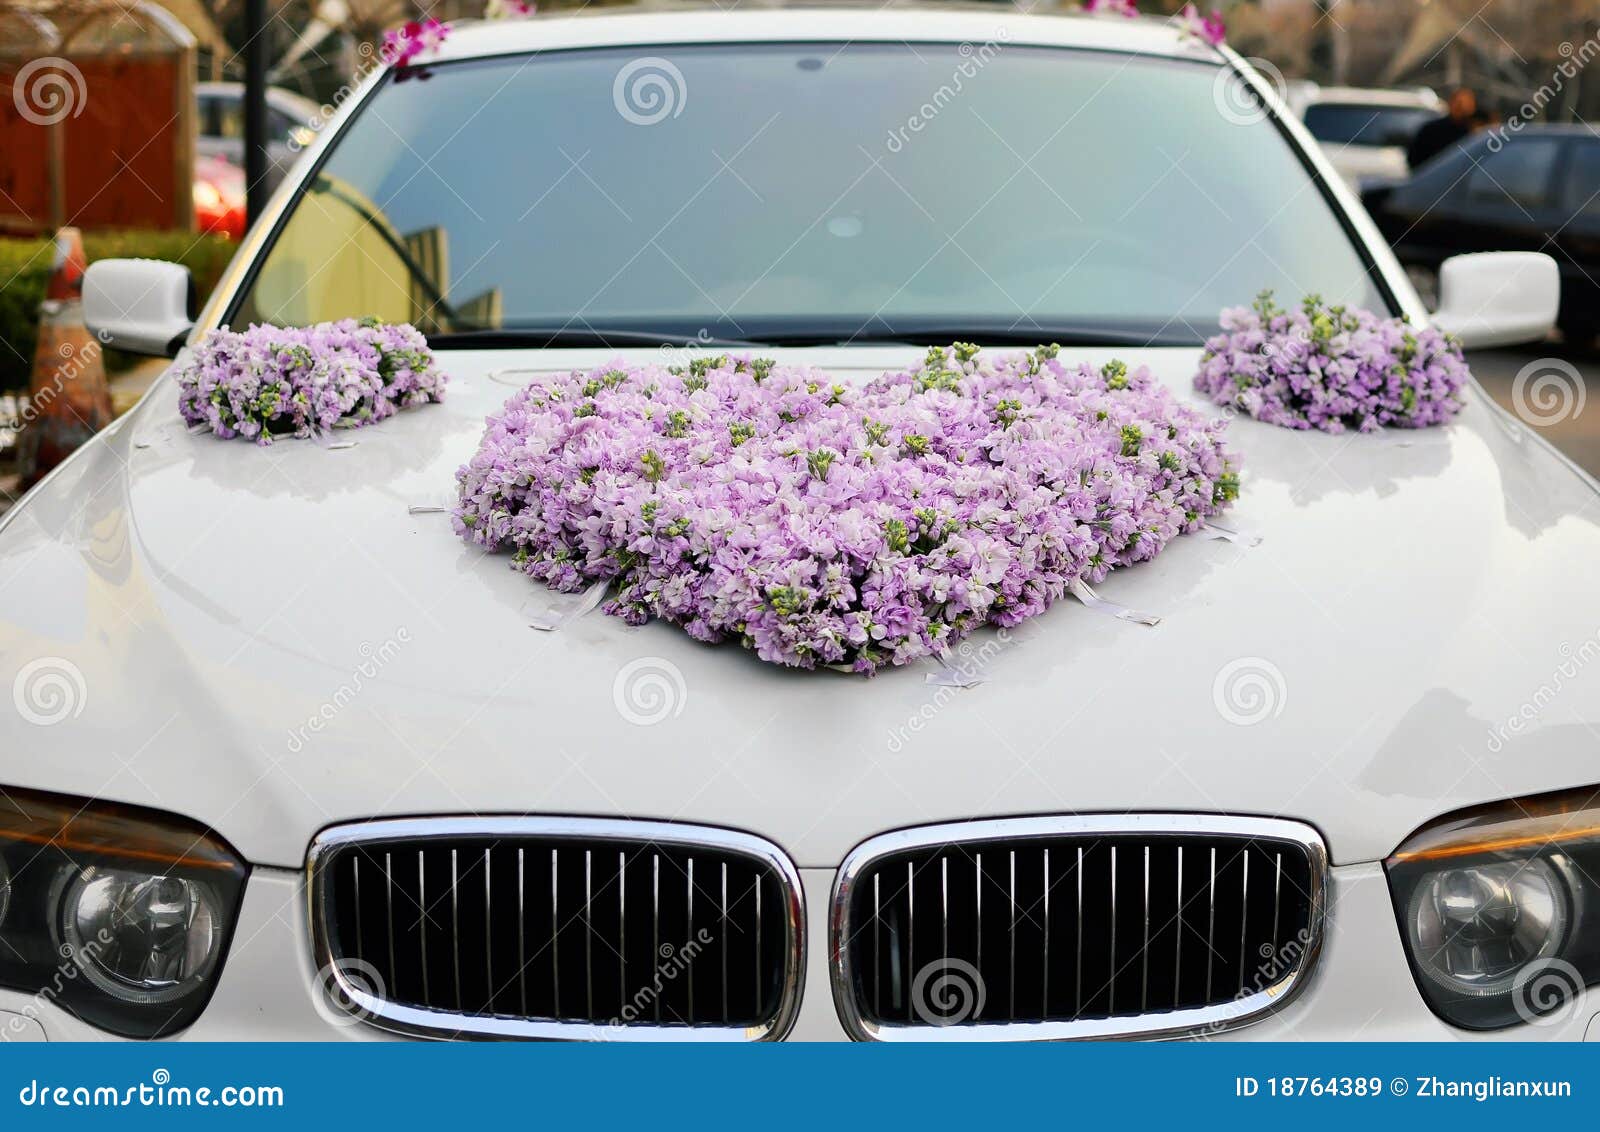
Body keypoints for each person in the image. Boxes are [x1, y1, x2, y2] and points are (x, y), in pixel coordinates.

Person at [1407, 88, 1477, 170]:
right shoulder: (1432, 130)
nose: (1462, 108)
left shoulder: (1476, 132)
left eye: (1466, 105)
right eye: (1459, 104)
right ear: (1451, 104)